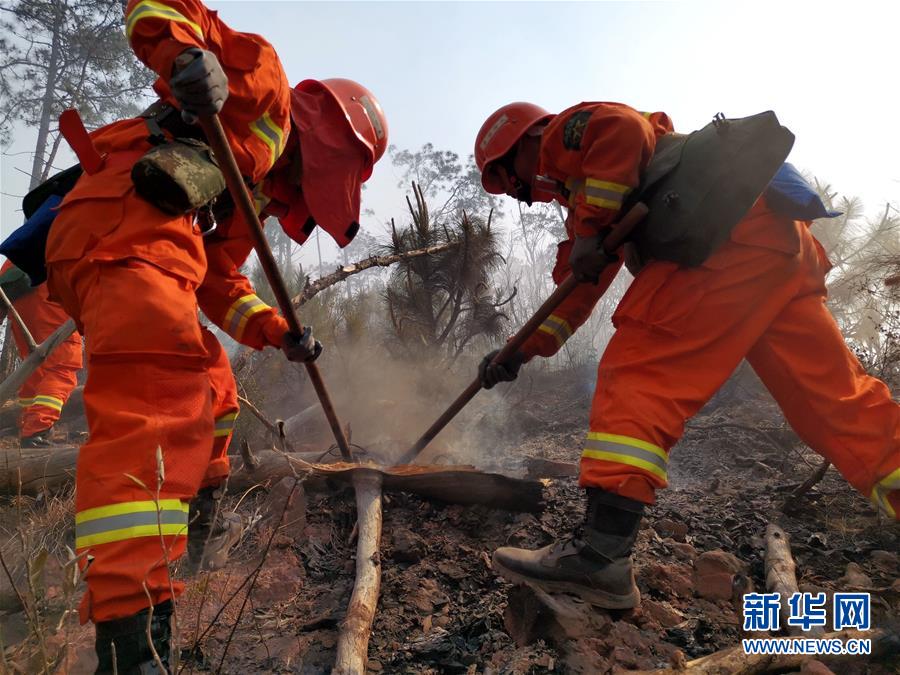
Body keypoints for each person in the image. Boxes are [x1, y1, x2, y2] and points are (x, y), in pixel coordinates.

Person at [41, 0, 388, 670]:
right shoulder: (263, 80)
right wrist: (185, 59)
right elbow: (165, 8)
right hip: (123, 227)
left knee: (216, 392)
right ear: (330, 144)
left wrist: (280, 331)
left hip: (144, 250)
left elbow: (219, 282)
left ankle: (196, 532)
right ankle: (133, 636)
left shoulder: (247, 197)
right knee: (154, 410)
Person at [472, 101, 900, 610]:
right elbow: (579, 286)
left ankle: (600, 555)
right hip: (777, 245)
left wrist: (588, 231)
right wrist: (521, 350)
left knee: (637, 374)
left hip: (728, 243)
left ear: (520, 141)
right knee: (837, 403)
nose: (525, 195)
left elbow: (621, 129)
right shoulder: (593, 193)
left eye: (511, 182)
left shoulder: (565, 134)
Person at [0, 260, 82, 447]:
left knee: (34, 366)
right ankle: (36, 430)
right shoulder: (64, 233)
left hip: (19, 299)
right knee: (63, 365)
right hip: (46, 293)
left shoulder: (32, 236)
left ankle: (29, 425)